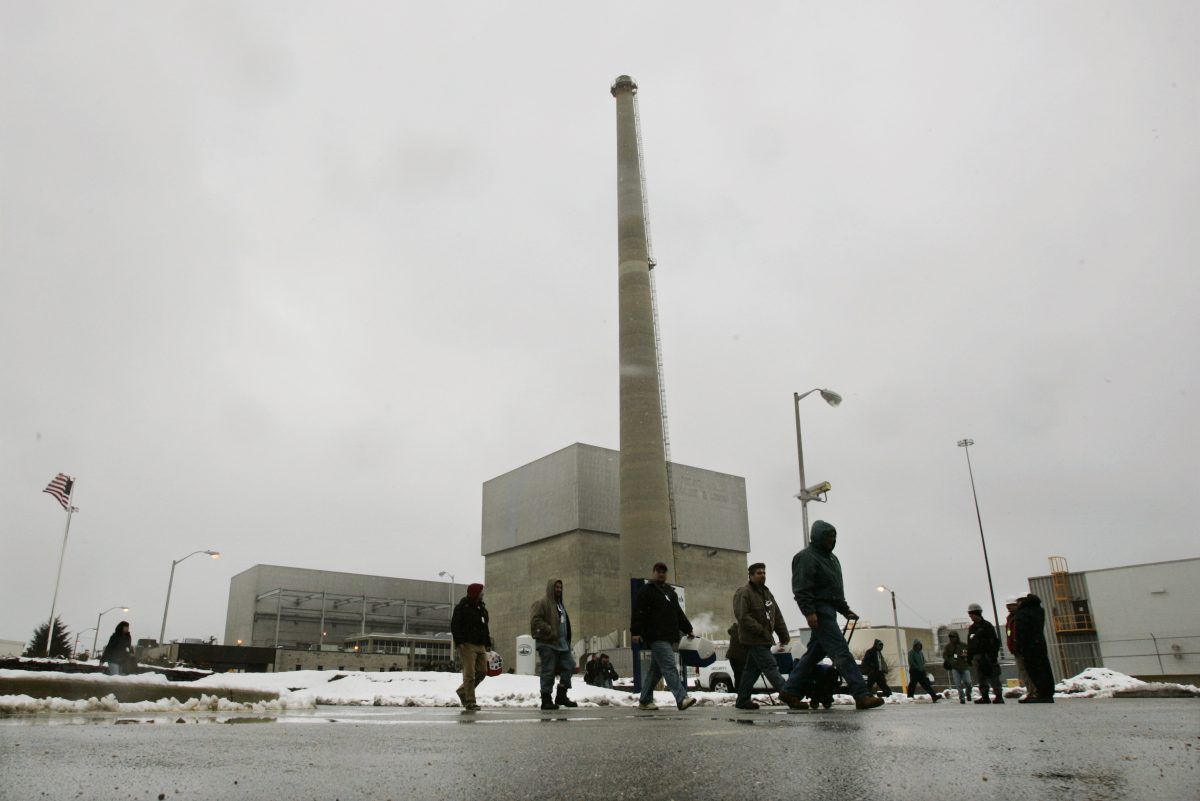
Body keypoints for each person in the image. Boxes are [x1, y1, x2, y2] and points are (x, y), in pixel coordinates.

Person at [781, 520, 884, 711]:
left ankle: (790, 690)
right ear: (818, 537)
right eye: (829, 537)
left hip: (830, 610)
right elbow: (801, 588)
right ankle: (861, 695)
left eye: (834, 537)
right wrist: (809, 612)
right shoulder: (806, 557)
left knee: (813, 655)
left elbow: (835, 589)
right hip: (819, 611)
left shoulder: (832, 559)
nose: (832, 540)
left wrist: (845, 609)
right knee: (841, 652)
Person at [732, 562, 805, 710]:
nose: (762, 575)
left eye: (764, 573)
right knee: (770, 666)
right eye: (759, 573)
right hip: (753, 639)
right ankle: (789, 695)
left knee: (751, 671)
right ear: (751, 576)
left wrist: (784, 635)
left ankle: (742, 700)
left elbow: (776, 615)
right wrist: (760, 630)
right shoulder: (744, 593)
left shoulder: (767, 594)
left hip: (765, 639)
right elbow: (742, 616)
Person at [631, 561, 697, 711]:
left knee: (657, 670)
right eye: (658, 571)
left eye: (664, 571)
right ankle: (681, 698)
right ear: (653, 572)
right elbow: (638, 612)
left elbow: (678, 613)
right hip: (655, 636)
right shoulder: (646, 591)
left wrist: (688, 629)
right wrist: (635, 632)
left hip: (668, 636)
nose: (661, 574)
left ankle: (645, 700)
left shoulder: (669, 592)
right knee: (669, 666)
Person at [530, 578, 576, 710]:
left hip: (562, 645)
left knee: (570, 666)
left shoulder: (560, 605)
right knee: (548, 671)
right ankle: (546, 699)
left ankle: (561, 695)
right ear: (551, 588)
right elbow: (535, 621)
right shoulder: (541, 603)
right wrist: (549, 630)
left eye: (560, 588)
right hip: (547, 644)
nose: (559, 590)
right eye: (556, 587)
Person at [450, 582, 492, 711]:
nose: (483, 594)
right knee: (470, 674)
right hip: (467, 645)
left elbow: (485, 627)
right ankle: (470, 701)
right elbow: (455, 625)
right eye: (481, 592)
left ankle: (463, 691)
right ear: (475, 593)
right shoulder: (462, 607)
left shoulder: (482, 608)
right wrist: (460, 642)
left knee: (482, 672)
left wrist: (488, 643)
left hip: (481, 645)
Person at [1013, 593, 1055, 704]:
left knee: (1034, 671)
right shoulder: (1039, 610)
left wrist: (1019, 646)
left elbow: (1020, 632)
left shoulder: (1022, 613)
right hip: (1039, 644)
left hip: (1028, 646)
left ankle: (1041, 693)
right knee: (1044, 669)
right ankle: (1047, 693)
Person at [967, 602, 1005, 704]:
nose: (971, 617)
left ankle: (998, 696)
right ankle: (985, 696)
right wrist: (969, 656)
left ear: (977, 613)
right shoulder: (972, 628)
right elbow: (970, 643)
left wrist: (993, 655)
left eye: (972, 614)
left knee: (993, 675)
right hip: (977, 656)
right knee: (981, 677)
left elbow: (995, 641)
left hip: (987, 655)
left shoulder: (987, 626)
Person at [1005, 594, 1035, 700]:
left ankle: (1033, 691)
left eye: (1011, 605)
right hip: (1016, 649)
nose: (1008, 608)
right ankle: (1030, 690)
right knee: (1023, 671)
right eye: (1007, 606)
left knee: (1028, 670)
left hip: (1022, 648)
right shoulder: (1010, 619)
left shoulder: (1020, 617)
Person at [943, 631, 972, 703]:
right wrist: (950, 660)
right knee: (958, 684)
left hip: (964, 666)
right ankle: (962, 697)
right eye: (951, 637)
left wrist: (966, 656)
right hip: (955, 667)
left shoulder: (963, 645)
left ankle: (968, 693)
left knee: (968, 682)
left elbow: (968, 652)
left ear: (957, 637)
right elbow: (945, 655)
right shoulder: (948, 647)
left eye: (953, 637)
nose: (952, 639)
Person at [725, 622, 746, 690]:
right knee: (742, 676)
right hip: (740, 656)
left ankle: (738, 691)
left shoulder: (734, 628)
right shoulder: (743, 630)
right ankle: (741, 692)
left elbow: (729, 631)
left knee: (737, 675)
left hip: (732, 656)